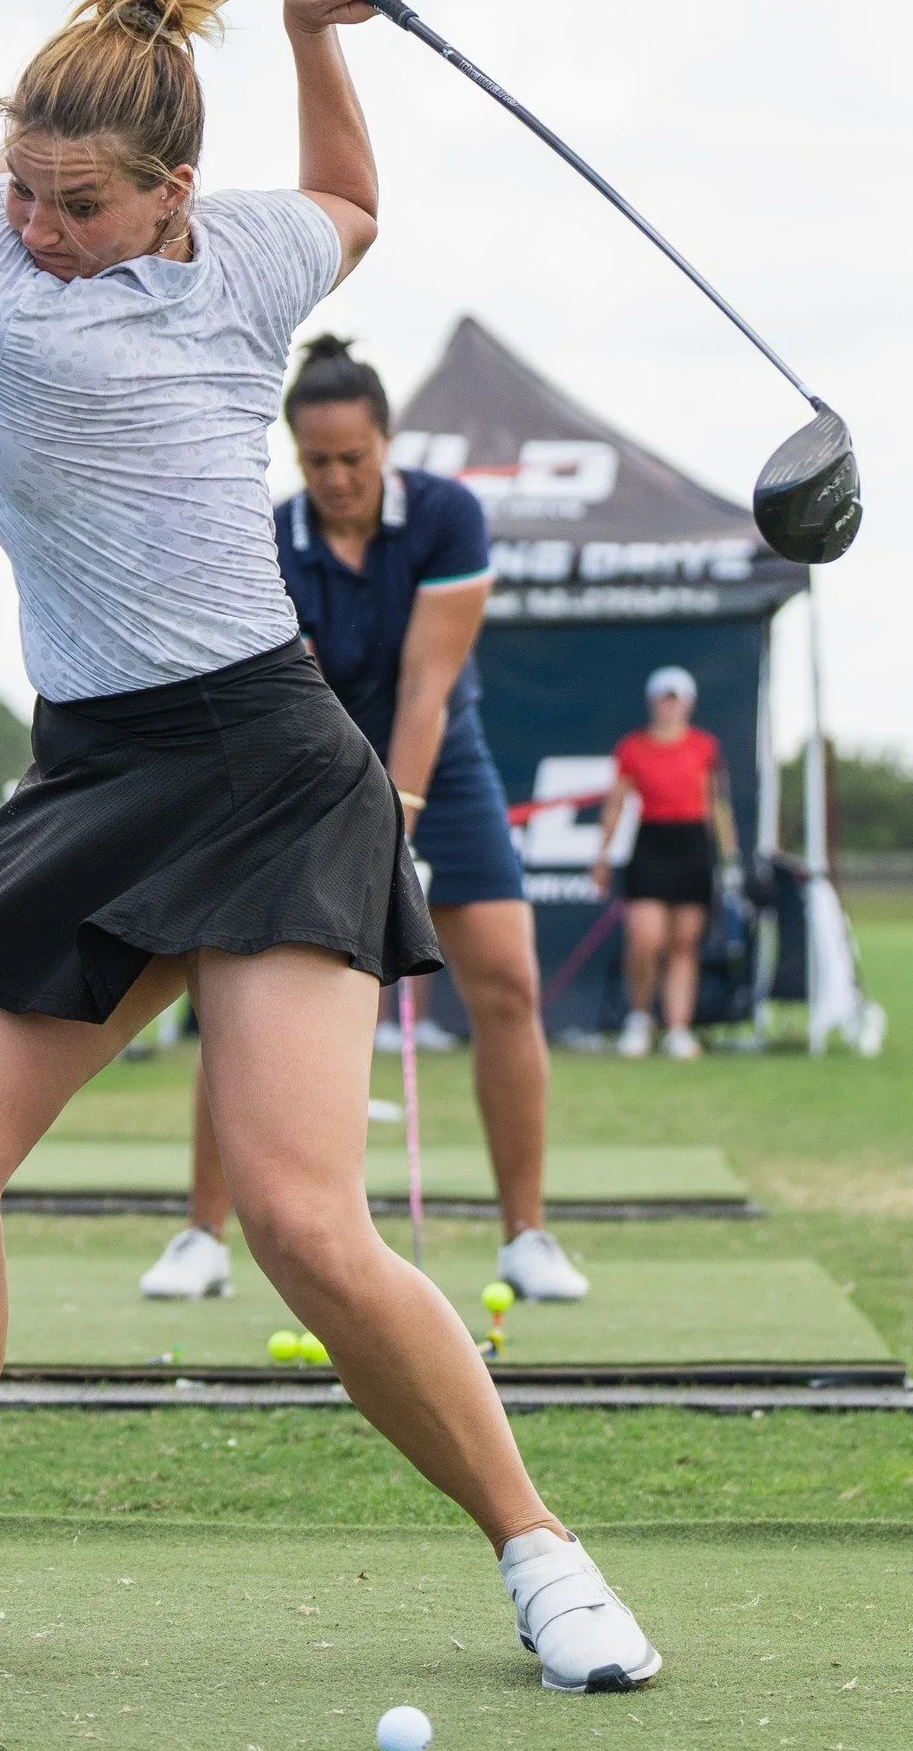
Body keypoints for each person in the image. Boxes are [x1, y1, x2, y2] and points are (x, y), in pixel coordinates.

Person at [0, 0, 657, 1695]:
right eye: (26, 191)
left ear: (177, 199)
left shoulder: (239, 265)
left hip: (270, 768)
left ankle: (544, 1552)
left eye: (83, 205)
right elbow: (327, 203)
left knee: (299, 1220)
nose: (38, 232)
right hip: (98, 764)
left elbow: (346, 208)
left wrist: (296, 23)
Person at [140, 334, 587, 1304]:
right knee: (240, 996)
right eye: (315, 462)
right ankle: (200, 1235)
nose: (336, 478)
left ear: (386, 441)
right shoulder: (267, 537)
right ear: (294, 455)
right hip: (307, 768)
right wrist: (355, 820)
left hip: (443, 767)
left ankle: (527, 1235)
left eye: (354, 458)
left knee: (506, 981)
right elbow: (286, 690)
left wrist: (402, 818)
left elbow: (427, 684)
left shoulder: (446, 516)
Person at [591, 666, 737, 1059]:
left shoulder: (704, 746)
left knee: (684, 943)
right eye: (663, 699)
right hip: (651, 843)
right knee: (644, 938)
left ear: (687, 704)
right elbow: (616, 804)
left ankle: (677, 1028)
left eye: (676, 699)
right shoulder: (632, 748)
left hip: (692, 845)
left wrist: (730, 857)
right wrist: (602, 855)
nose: (669, 707)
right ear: (653, 702)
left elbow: (717, 804)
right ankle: (639, 1018)